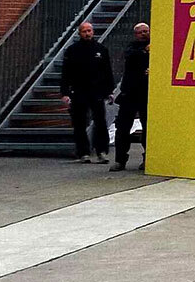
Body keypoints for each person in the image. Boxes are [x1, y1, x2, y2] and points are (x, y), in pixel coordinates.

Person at [58, 21, 114, 164]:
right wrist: (65, 93)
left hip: (97, 91)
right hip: (78, 91)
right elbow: (66, 73)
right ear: (80, 33)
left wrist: (109, 91)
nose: (87, 33)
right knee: (79, 123)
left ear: (93, 32)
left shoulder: (101, 50)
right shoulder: (72, 50)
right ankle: (83, 152)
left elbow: (107, 72)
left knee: (100, 122)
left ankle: (101, 151)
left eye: (89, 31)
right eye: (84, 31)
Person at [111, 22, 151, 172]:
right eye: (140, 32)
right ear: (136, 34)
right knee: (122, 127)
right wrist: (145, 52)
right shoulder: (131, 47)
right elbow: (131, 56)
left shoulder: (156, 47)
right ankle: (120, 160)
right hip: (129, 93)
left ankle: (148, 158)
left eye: (146, 31)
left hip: (146, 94)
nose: (143, 34)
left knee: (148, 127)